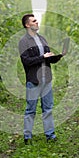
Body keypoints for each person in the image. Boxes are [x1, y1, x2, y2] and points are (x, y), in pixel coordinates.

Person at [18, 14, 63, 145]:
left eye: (36, 20)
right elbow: (26, 61)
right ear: (27, 25)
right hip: (33, 80)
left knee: (48, 108)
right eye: (34, 21)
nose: (37, 22)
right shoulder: (23, 42)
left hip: (46, 79)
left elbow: (47, 57)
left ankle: (50, 135)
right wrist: (43, 57)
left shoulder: (42, 39)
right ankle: (27, 137)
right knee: (30, 109)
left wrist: (56, 57)